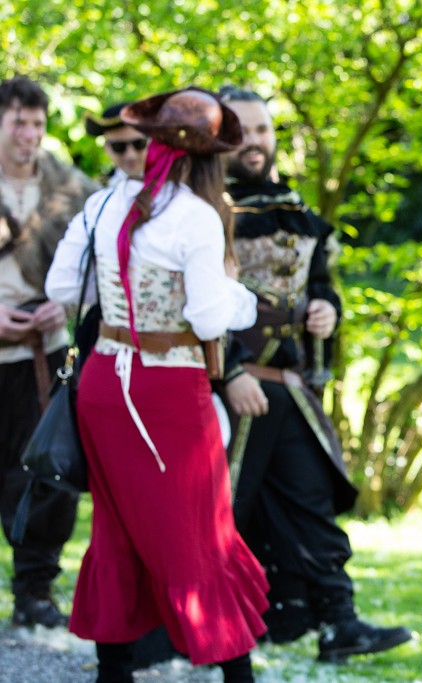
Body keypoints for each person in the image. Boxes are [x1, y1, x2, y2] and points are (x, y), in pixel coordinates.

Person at [45, 87, 267, 683]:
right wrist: (244, 300)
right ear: (206, 158)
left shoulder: (101, 205)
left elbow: (61, 289)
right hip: (166, 391)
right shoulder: (195, 215)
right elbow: (209, 320)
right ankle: (237, 675)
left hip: (103, 384)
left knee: (115, 531)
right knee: (198, 530)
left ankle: (113, 672)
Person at [217, 86, 412, 663]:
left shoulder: (298, 211)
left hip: (290, 390)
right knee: (223, 511)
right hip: (232, 390)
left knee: (310, 503)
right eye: (242, 131)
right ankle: (203, 631)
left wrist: (327, 309)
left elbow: (319, 285)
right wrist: (229, 371)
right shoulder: (206, 212)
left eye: (263, 129)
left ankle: (338, 622)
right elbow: (195, 303)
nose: (255, 142)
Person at [0, 75, 97, 628]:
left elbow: (99, 263)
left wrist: (65, 305)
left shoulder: (71, 188)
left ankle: (34, 593)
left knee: (45, 474)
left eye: (37, 123)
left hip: (44, 355)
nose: (29, 134)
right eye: (18, 121)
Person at [84, 103, 149, 184]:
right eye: (119, 146)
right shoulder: (101, 188)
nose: (131, 155)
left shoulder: (165, 180)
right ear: (106, 148)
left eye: (139, 143)